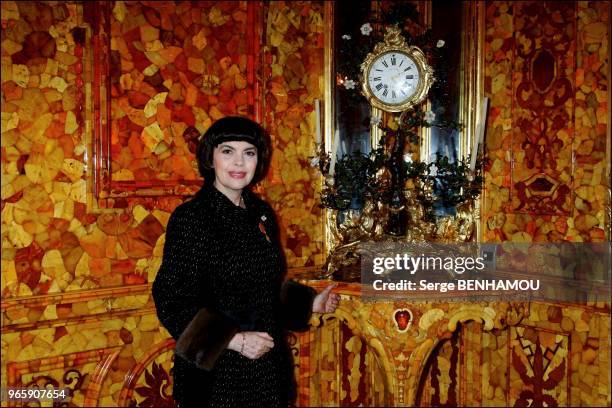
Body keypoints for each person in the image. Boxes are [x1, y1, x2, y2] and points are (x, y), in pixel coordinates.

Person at [152, 116, 340, 407]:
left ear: (258, 160)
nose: (239, 162)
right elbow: (171, 300)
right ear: (210, 158)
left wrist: (310, 303)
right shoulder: (193, 218)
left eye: (248, 153)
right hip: (217, 375)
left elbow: (261, 290)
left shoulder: (260, 213)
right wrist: (235, 340)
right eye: (228, 151)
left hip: (266, 372)